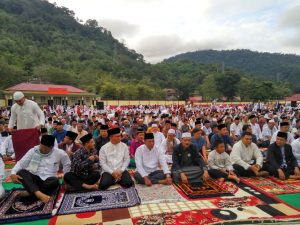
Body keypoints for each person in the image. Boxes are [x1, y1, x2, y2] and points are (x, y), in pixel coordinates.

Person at [10, 135, 71, 203]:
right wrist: (13, 173)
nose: (41, 150)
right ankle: (39, 194)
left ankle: (31, 192)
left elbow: (67, 165)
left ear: (51, 147)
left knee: (55, 181)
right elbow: (21, 163)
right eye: (40, 147)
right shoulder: (34, 150)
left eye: (44, 148)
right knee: (21, 172)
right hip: (34, 179)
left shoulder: (60, 153)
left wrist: (65, 179)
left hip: (48, 181)